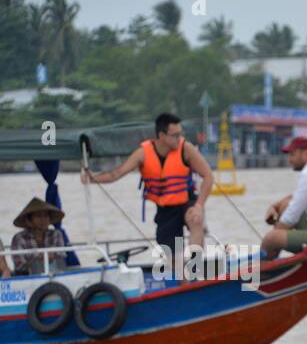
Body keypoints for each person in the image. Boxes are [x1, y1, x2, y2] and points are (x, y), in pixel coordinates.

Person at [81, 112, 213, 277]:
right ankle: (183, 278)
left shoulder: (186, 148)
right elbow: (116, 174)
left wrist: (199, 205)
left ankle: (196, 267)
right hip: (165, 211)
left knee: (196, 218)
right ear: (162, 135)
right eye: (175, 135)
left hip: (186, 202)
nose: (179, 138)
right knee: (176, 267)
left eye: (181, 134)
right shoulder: (143, 153)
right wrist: (91, 178)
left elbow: (208, 176)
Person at [4, 198, 68, 276]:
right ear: (29, 221)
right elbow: (19, 265)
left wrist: (47, 257)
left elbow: (61, 256)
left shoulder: (56, 234)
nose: (43, 220)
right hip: (27, 276)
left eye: (45, 216)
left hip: (56, 274)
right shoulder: (19, 238)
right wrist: (39, 259)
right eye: (39, 216)